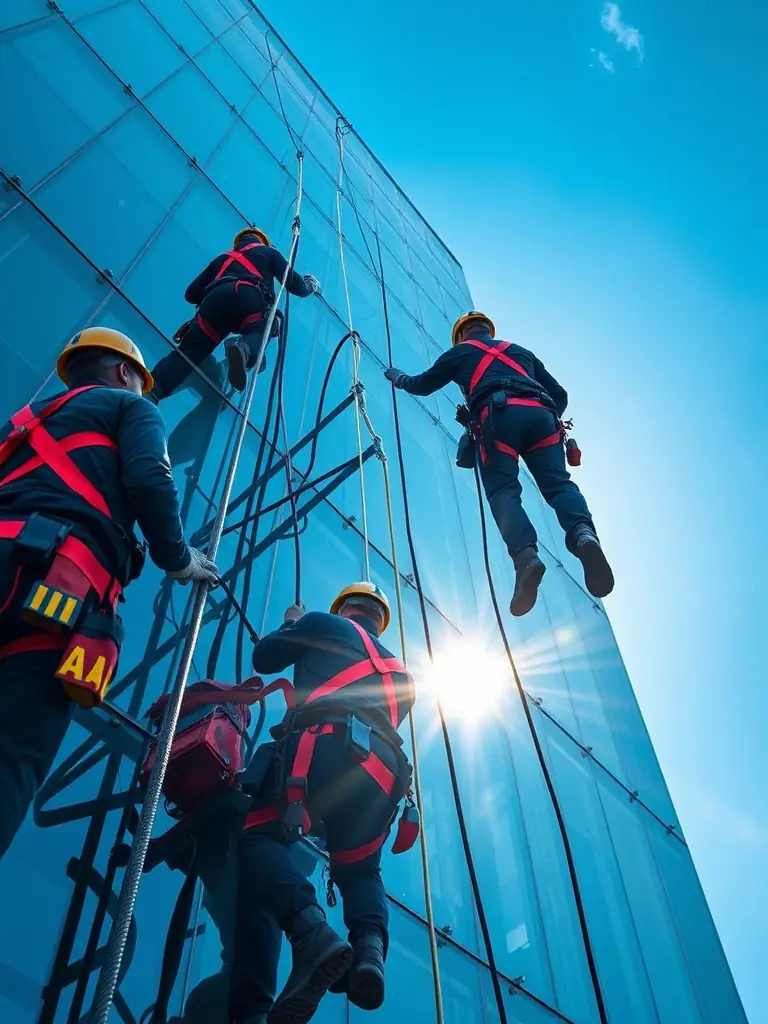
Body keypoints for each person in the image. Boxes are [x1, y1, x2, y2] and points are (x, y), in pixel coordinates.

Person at [0, 326, 219, 860]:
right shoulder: (130, 408)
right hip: (50, 587)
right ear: (125, 372)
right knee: (12, 752)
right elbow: (149, 477)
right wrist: (181, 560)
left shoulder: (24, 423)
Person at [229, 583, 417, 1024]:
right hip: (383, 777)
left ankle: (311, 932)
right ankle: (370, 951)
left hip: (325, 747)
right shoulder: (404, 678)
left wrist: (294, 622)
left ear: (344, 608)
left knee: (260, 841)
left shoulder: (322, 624)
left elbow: (265, 658)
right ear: (378, 619)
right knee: (359, 870)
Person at [384, 311, 614, 616]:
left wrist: (398, 377)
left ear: (461, 335)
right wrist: (542, 413)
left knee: (503, 491)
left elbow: (422, 384)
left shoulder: (459, 353)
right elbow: (560, 395)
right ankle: (584, 534)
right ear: (487, 329)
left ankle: (526, 558)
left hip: (497, 418)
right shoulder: (520, 351)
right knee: (559, 486)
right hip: (542, 418)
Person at [150, 227, 321, 401]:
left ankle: (153, 389)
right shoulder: (269, 253)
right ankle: (243, 350)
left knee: (188, 353)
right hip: (249, 297)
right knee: (265, 327)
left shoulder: (223, 258)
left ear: (239, 243)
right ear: (260, 242)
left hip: (214, 303)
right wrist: (309, 285)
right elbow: (294, 284)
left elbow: (191, 294)